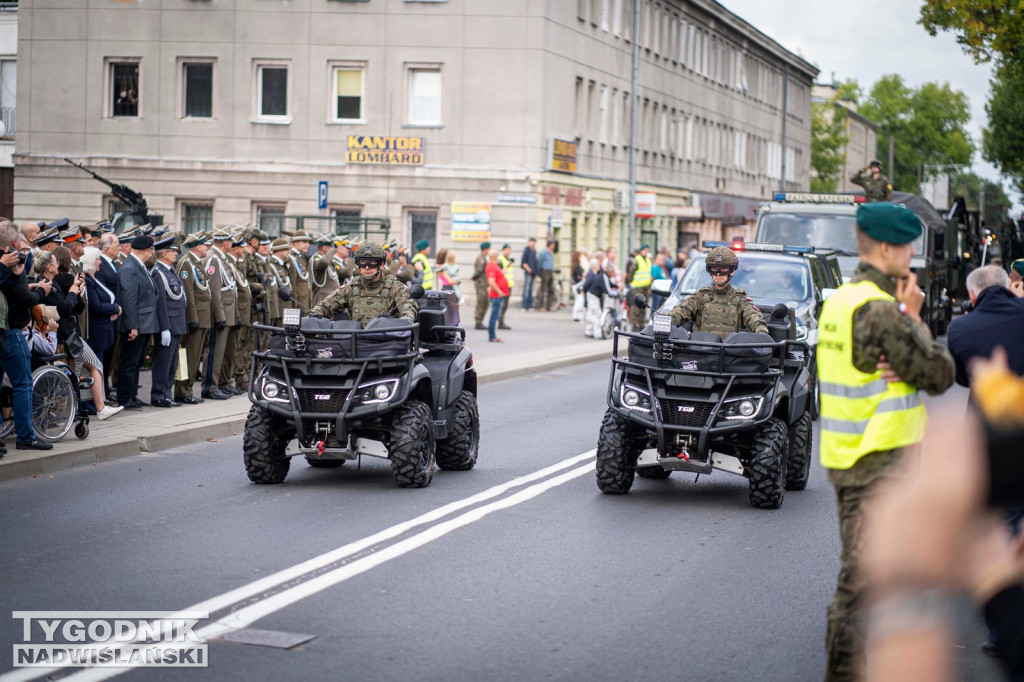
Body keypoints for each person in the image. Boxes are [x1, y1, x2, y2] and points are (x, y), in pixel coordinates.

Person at [816, 202, 955, 682]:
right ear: (883, 247)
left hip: (848, 457)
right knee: (860, 586)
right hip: (878, 464)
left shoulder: (839, 300)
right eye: (908, 245)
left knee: (866, 581)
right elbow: (940, 374)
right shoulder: (882, 312)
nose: (914, 254)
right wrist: (915, 319)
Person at [944, 265, 1024, 658]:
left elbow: (961, 379)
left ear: (973, 297)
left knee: (1000, 532)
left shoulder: (961, 330)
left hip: (998, 448)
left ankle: (1000, 635)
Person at [0, 224, 51, 450]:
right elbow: (21, 298)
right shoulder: (5, 260)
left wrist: (17, 274)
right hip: (10, 330)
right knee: (23, 384)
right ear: (12, 244)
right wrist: (40, 292)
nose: (25, 252)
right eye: (23, 247)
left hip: (7, 328)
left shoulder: (10, 264)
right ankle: (25, 436)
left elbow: (6, 287)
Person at [669, 246, 768, 338]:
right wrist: (663, 321)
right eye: (714, 269)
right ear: (709, 270)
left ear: (732, 271)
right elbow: (679, 312)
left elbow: (755, 321)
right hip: (700, 352)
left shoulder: (741, 300)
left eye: (723, 269)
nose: (718, 274)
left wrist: (762, 334)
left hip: (729, 354)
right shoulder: (700, 297)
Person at [309, 241, 418, 326]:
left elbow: (408, 306)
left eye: (372, 263)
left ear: (381, 264)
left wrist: (406, 319)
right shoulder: (351, 287)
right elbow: (326, 304)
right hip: (356, 344)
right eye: (363, 263)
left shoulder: (395, 287)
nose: (366, 267)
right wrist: (315, 314)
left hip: (385, 344)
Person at [116, 235, 160, 410]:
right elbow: (129, 299)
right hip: (135, 324)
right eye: (150, 250)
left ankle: (132, 396)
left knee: (137, 362)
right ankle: (125, 398)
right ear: (143, 251)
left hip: (144, 322)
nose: (152, 253)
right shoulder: (129, 268)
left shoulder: (138, 266)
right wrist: (133, 326)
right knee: (129, 363)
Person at [81, 247, 123, 419]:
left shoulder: (95, 278)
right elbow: (96, 306)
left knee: (99, 366)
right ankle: (91, 403)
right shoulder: (88, 281)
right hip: (95, 331)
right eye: (97, 259)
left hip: (103, 329)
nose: (100, 262)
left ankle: (99, 401)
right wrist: (115, 308)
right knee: (94, 367)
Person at [174, 232, 214, 405]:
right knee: (189, 356)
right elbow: (188, 294)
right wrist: (192, 318)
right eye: (206, 245)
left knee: (195, 357)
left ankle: (188, 389)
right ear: (198, 246)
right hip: (195, 318)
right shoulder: (186, 264)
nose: (208, 248)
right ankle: (183, 391)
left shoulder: (196, 263)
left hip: (203, 317)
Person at [150, 236, 188, 408]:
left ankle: (167, 393)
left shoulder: (170, 270)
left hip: (177, 324)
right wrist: (164, 328)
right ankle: (158, 395)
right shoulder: (158, 272)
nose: (176, 254)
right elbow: (161, 303)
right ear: (164, 253)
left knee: (172, 363)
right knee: (163, 363)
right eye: (173, 251)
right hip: (169, 325)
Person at [203, 228, 238, 400]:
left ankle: (221, 384)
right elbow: (214, 291)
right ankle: (210, 387)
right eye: (231, 241)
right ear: (226, 243)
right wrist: (220, 316)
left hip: (228, 311)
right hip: (221, 313)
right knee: (215, 352)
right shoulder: (213, 259)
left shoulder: (221, 259)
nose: (231, 244)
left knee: (224, 352)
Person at [583, 250, 618, 338]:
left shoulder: (602, 275)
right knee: (597, 314)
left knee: (591, 313)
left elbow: (609, 284)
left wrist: (616, 286)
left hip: (592, 295)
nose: (612, 274)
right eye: (612, 273)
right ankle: (597, 333)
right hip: (594, 296)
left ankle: (589, 331)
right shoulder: (601, 276)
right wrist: (616, 293)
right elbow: (608, 290)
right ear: (609, 272)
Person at [626, 244, 653, 329]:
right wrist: (631, 283)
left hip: (645, 286)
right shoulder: (637, 260)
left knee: (644, 305)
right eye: (644, 250)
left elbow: (649, 274)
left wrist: (649, 286)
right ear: (641, 251)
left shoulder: (648, 260)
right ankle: (634, 324)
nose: (646, 251)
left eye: (647, 250)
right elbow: (631, 273)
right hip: (637, 286)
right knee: (636, 305)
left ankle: (641, 323)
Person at [484, 248, 508, 343]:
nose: (498, 257)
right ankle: (492, 336)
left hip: (498, 295)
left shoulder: (495, 266)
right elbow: (492, 282)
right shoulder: (491, 266)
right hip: (496, 296)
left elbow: (500, 275)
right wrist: (499, 292)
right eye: (497, 255)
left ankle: (493, 335)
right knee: (494, 316)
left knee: (495, 315)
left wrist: (506, 267)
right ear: (494, 257)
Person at [472, 241, 491, 330]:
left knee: (485, 303)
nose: (489, 250)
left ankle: (480, 320)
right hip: (481, 284)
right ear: (485, 249)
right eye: (488, 248)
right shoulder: (481, 259)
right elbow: (479, 270)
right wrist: (473, 277)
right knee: (481, 303)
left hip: (483, 284)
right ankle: (478, 321)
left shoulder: (484, 258)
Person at [537, 239, 557, 312]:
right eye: (553, 244)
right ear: (550, 245)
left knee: (551, 289)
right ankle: (542, 306)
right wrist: (539, 272)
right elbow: (540, 262)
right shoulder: (543, 252)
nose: (554, 246)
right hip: (544, 271)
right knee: (544, 289)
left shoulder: (551, 252)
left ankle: (549, 306)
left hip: (550, 271)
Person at [498, 244, 514, 330]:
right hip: (503, 286)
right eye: (507, 249)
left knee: (505, 305)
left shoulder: (508, 260)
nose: (508, 251)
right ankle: (500, 321)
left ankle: (501, 321)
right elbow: (500, 273)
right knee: (502, 305)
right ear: (503, 250)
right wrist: (507, 266)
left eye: (509, 249)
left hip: (509, 285)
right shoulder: (500, 260)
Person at [521, 237, 538, 310]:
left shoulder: (534, 251)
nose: (533, 243)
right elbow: (523, 262)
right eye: (531, 242)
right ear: (529, 242)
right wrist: (529, 269)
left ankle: (530, 305)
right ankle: (524, 305)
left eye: (534, 242)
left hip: (533, 273)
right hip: (528, 272)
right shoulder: (526, 250)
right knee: (526, 289)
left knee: (531, 289)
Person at [570, 250, 586, 322]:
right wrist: (582, 276)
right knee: (579, 300)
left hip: (575, 284)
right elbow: (581, 274)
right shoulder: (577, 266)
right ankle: (577, 315)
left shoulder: (574, 265)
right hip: (578, 285)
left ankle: (576, 315)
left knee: (578, 300)